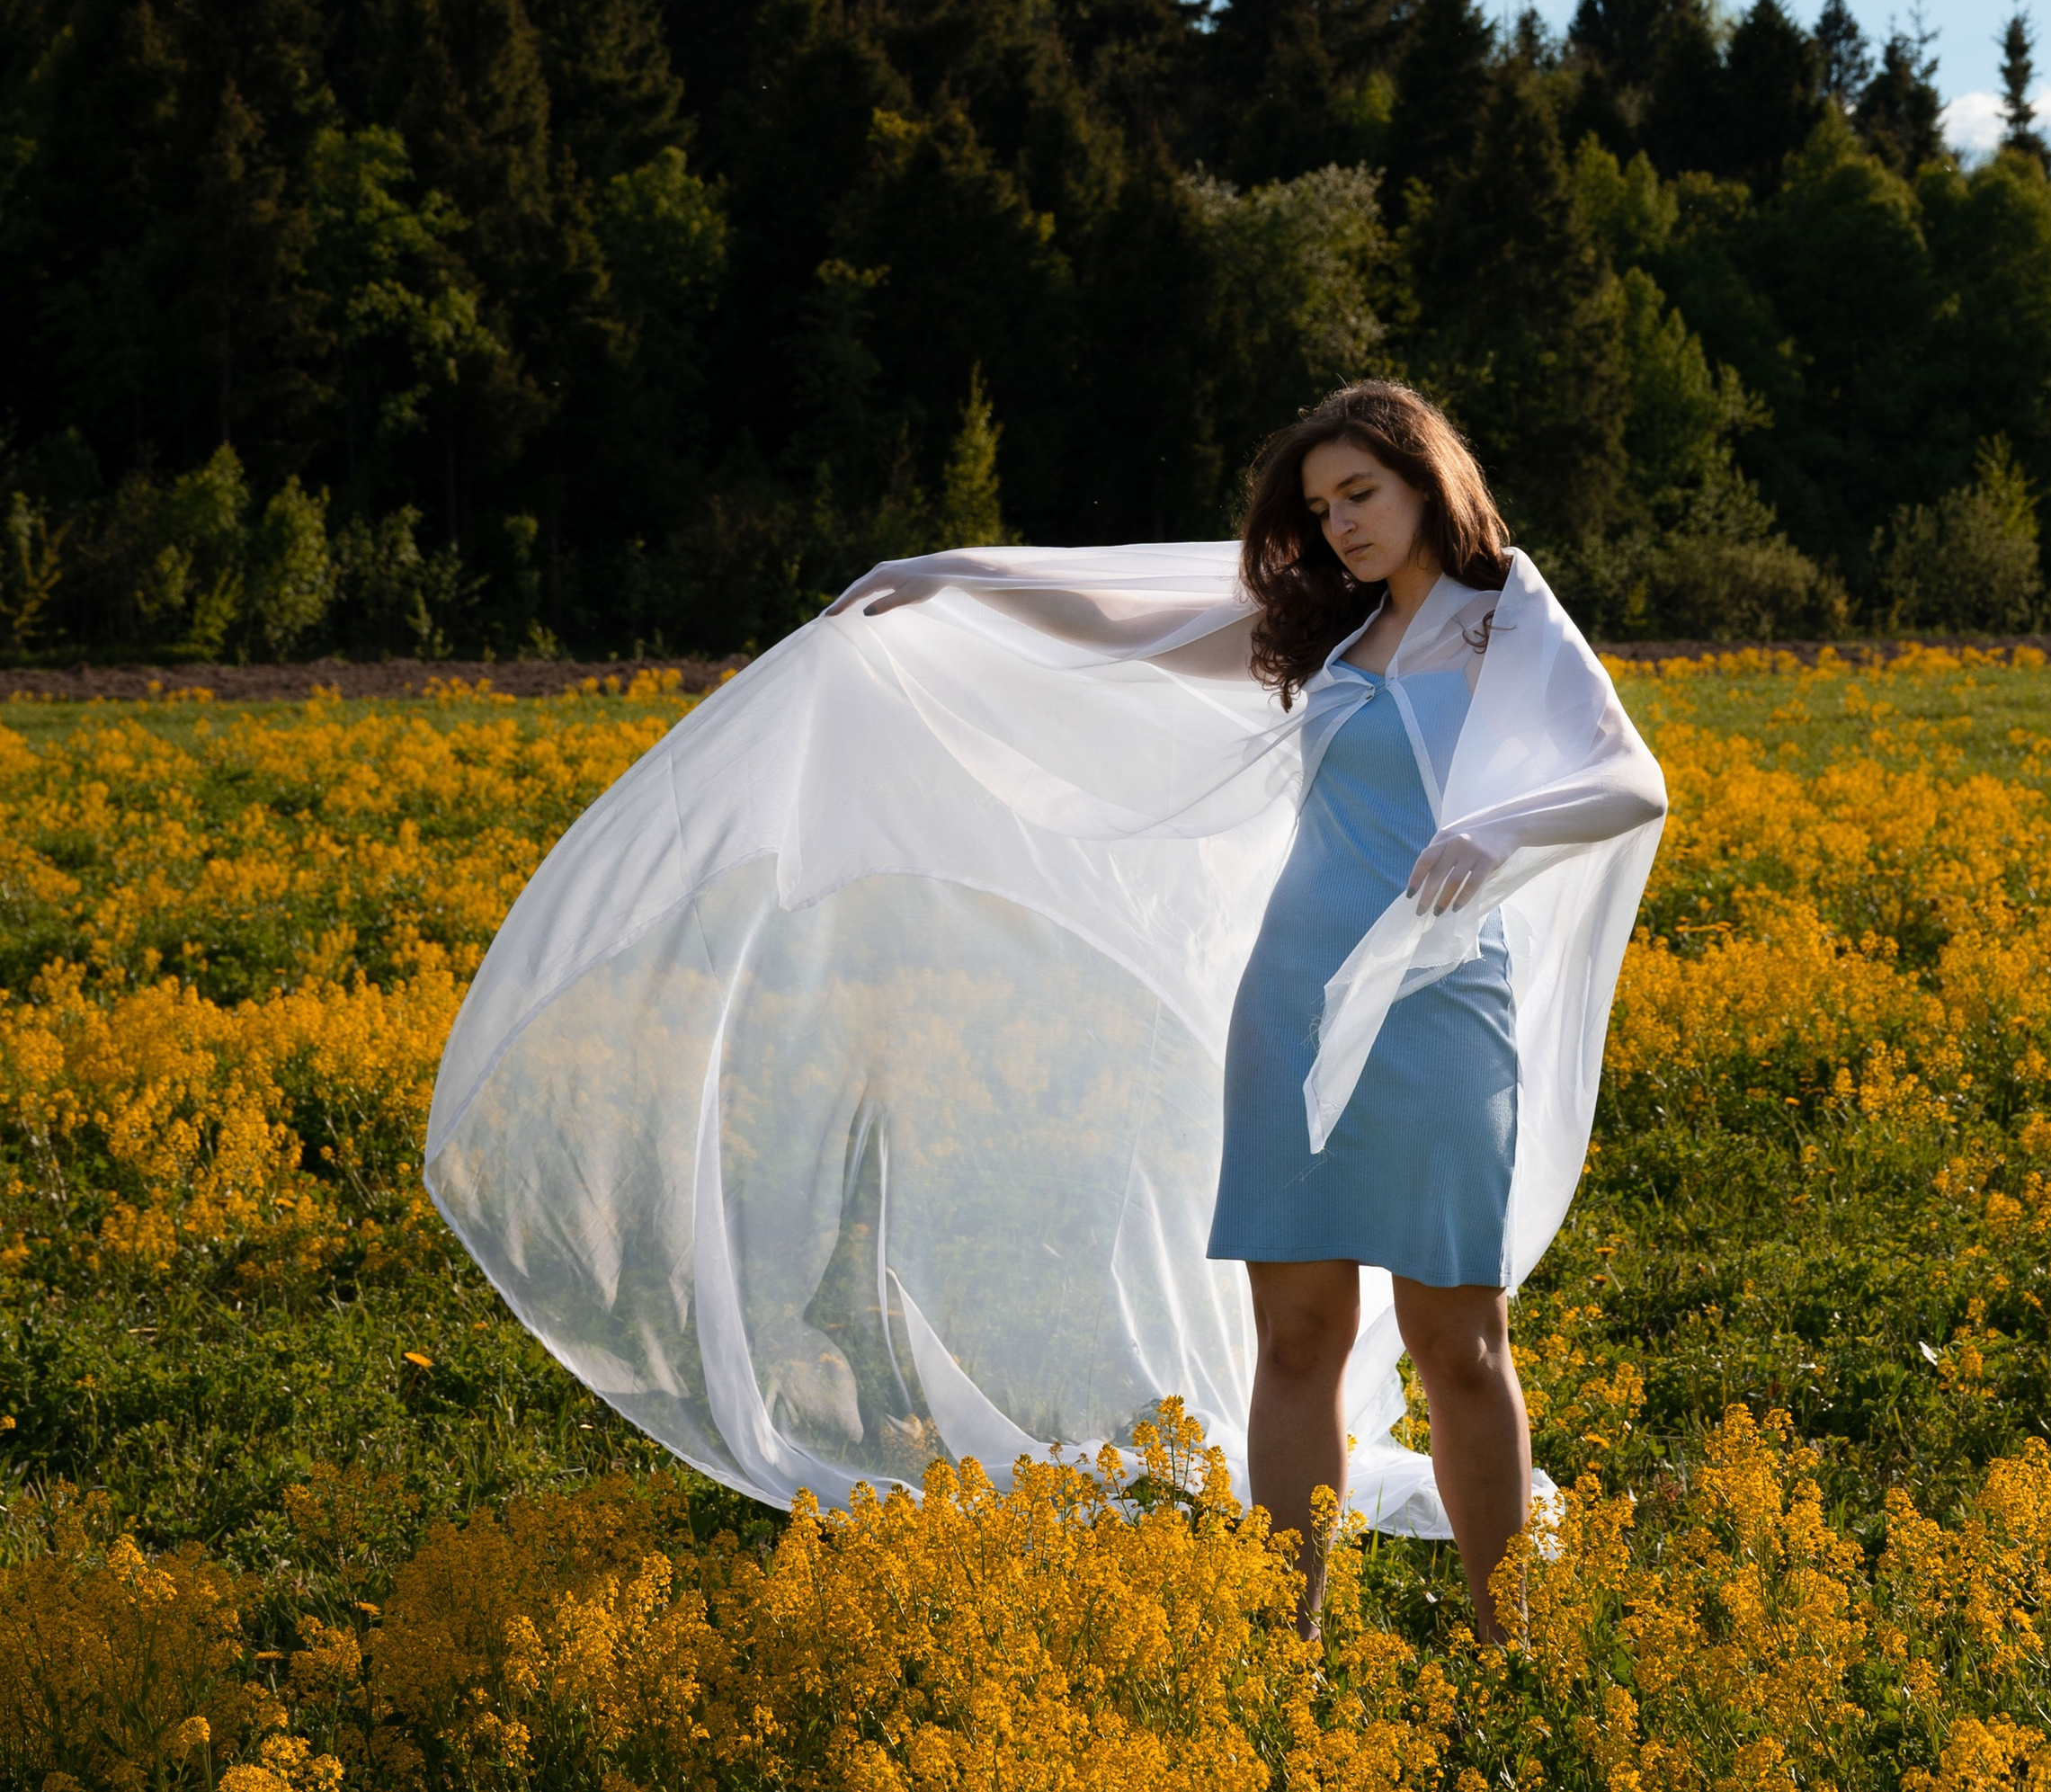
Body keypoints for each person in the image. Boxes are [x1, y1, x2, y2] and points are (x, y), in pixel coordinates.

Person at [425, 382, 1665, 1643]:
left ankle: (1512, 1651)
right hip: (1291, 1006)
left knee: (1459, 1341)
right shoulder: (1322, 634)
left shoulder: (1503, 616)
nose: (1342, 524)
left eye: (1363, 494)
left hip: (1444, 1012)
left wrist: (1500, 825)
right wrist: (946, 575)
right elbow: (1116, 626)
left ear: (1425, 483)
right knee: (1294, 1340)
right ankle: (1287, 1654)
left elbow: (1629, 776)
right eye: (1322, 505)